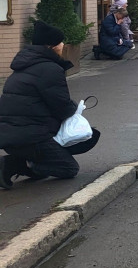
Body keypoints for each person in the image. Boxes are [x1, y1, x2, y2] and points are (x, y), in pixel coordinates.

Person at [0, 21, 101, 188]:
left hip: (10, 134)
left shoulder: (23, 66)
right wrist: (76, 110)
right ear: (51, 46)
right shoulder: (49, 69)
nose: (62, 45)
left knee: (81, 139)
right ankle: (14, 164)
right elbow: (61, 106)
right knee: (69, 168)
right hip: (30, 136)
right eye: (60, 42)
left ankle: (21, 160)